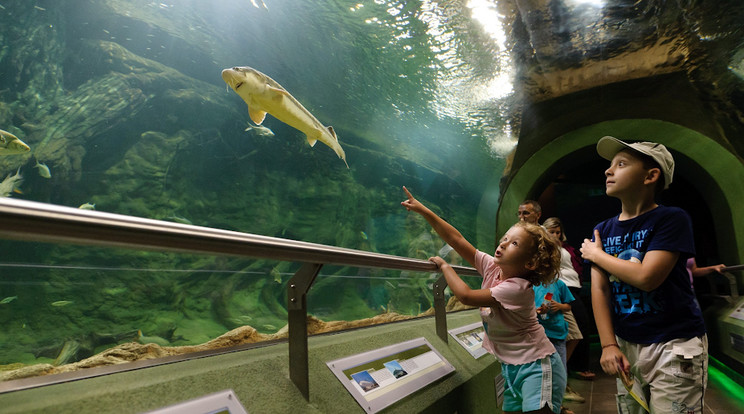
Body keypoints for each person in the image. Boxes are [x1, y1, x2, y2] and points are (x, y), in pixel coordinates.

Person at [402, 186, 566, 414]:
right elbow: (456, 239)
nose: (504, 243)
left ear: (529, 264)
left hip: (537, 366)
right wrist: (424, 210)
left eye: (514, 244)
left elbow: (466, 296)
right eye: (505, 238)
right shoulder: (492, 267)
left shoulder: (517, 288)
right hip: (511, 366)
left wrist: (446, 267)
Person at [580, 136, 707, 413]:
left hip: (674, 343)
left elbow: (647, 277)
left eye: (621, 164)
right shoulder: (603, 228)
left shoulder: (671, 218)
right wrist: (608, 344)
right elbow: (599, 289)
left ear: (650, 176)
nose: (608, 170)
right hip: (626, 343)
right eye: (610, 165)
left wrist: (596, 255)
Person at [542, 217, 593, 403]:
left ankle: (561, 374)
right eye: (551, 231)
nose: (555, 235)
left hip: (569, 289)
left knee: (575, 334)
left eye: (557, 232)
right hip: (559, 289)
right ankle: (560, 376)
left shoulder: (564, 248)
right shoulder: (546, 248)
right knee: (570, 334)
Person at [533, 278, 576, 414]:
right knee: (540, 374)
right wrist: (537, 310)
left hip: (558, 335)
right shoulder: (530, 284)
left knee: (560, 372)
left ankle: (558, 407)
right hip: (539, 335)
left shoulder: (559, 284)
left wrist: (560, 306)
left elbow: (568, 305)